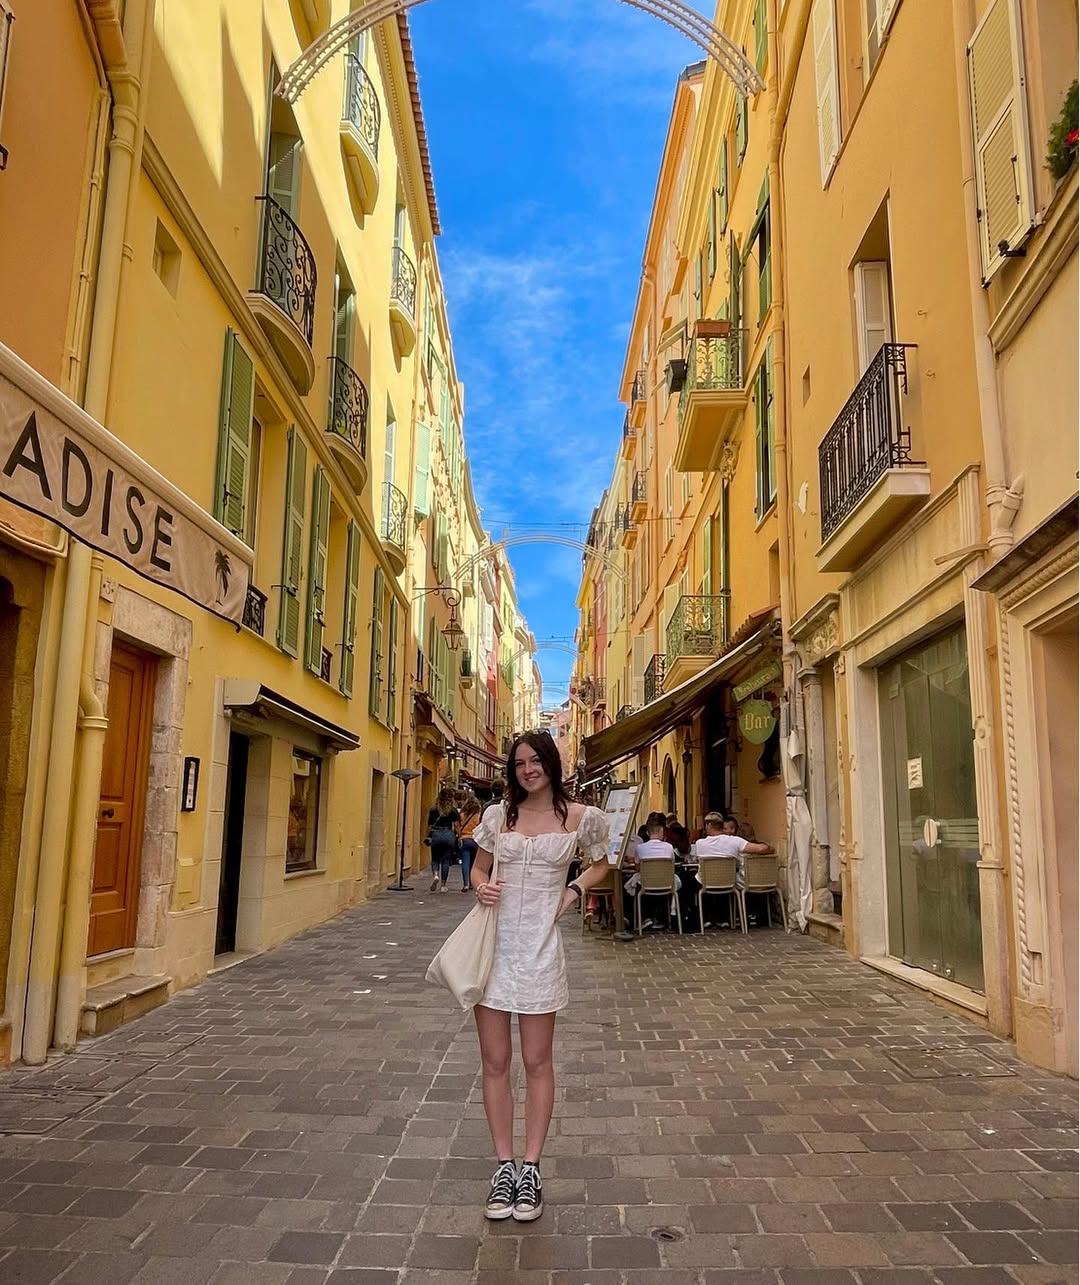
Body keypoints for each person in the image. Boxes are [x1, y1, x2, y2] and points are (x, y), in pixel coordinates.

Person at [469, 732, 611, 1223]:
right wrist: (482, 888)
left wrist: (573, 891)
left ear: (551, 763)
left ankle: (531, 1167)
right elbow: (479, 869)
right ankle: (503, 1166)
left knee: (536, 1060)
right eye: (520, 764)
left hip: (540, 949)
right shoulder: (498, 816)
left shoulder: (580, 817)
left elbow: (602, 864)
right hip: (494, 946)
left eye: (535, 761)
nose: (528, 770)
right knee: (494, 1061)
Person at [694, 811, 773, 891]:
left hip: (705, 883)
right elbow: (761, 848)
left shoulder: (699, 843)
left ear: (709, 825)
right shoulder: (735, 841)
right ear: (722, 825)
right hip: (728, 883)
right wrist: (770, 848)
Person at [426, 788, 461, 893]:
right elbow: (456, 825)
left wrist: (427, 836)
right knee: (445, 860)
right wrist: (459, 836)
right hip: (448, 835)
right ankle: (443, 885)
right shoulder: (453, 810)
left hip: (436, 834)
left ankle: (436, 875)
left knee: (435, 858)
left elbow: (430, 826)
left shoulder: (433, 809)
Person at [458, 793, 481, 893]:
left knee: (465, 862)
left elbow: (457, 827)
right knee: (473, 863)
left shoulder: (462, 815)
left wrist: (459, 836)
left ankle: (465, 884)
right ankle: (472, 883)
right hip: (475, 840)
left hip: (464, 840)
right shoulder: (478, 816)